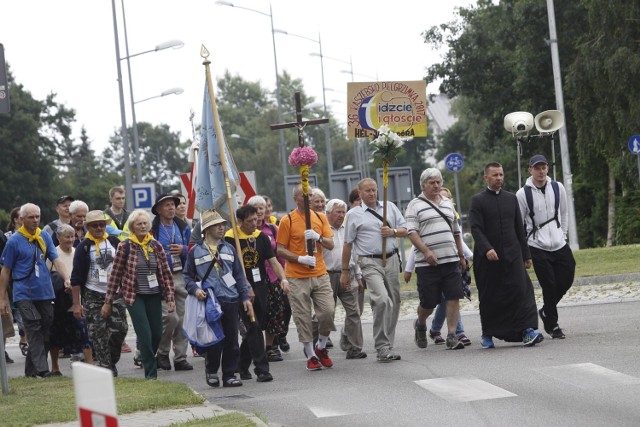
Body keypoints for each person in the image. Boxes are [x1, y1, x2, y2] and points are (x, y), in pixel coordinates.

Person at [469, 162, 544, 348]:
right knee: (490, 296)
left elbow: (519, 228)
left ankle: (527, 330)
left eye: (501, 175)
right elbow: (476, 229)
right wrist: (487, 249)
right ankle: (488, 333)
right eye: (495, 175)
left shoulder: (511, 199)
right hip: (488, 259)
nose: (499, 178)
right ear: (486, 178)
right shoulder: (478, 201)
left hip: (513, 255)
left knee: (522, 291)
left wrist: (526, 255)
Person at [184, 210, 253, 388]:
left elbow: (238, 276)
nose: (222, 227)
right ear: (207, 229)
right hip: (209, 302)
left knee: (231, 340)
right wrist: (195, 290)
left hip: (230, 299)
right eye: (217, 225)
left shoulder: (229, 249)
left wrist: (245, 297)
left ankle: (229, 374)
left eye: (223, 225)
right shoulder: (195, 252)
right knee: (214, 340)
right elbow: (187, 277)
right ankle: (212, 370)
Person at [0, 203, 71, 378]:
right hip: (24, 293)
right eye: (31, 217)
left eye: (37, 216)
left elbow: (57, 260)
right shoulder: (14, 241)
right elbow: (6, 270)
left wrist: (67, 278)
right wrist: (2, 298)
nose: (35, 220)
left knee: (46, 327)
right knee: (33, 325)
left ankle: (30, 369)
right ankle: (42, 369)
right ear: (22, 219)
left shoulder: (44, 236)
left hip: (45, 292)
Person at [341, 178, 407, 362]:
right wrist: (345, 271)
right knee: (382, 300)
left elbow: (406, 229)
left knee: (394, 301)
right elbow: (347, 245)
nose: (371, 193)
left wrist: (392, 232)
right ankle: (382, 346)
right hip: (369, 262)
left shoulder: (390, 207)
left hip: (391, 258)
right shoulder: (354, 214)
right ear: (360, 193)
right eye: (367, 191)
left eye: (374, 190)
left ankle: (388, 344)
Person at [104, 209, 176, 379]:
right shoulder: (125, 246)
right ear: (132, 227)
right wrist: (108, 300)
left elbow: (165, 273)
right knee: (144, 333)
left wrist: (170, 297)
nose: (143, 226)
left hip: (154, 294)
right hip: (133, 296)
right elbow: (115, 274)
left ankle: (144, 355)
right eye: (139, 224)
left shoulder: (155, 245)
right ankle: (151, 374)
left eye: (145, 223)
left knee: (157, 333)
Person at [405, 169, 468, 351]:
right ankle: (421, 323)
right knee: (429, 302)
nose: (436, 185)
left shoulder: (448, 203)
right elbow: (411, 232)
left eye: (438, 182)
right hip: (427, 263)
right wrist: (426, 251)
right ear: (423, 184)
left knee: (454, 296)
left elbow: (456, 231)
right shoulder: (414, 205)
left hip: (451, 260)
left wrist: (461, 255)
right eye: (432, 182)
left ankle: (451, 335)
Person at [225, 204, 288, 382]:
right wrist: (245, 287)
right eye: (250, 220)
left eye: (256, 219)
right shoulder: (231, 239)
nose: (255, 223)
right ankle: (262, 369)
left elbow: (273, 261)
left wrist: (282, 278)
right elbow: (233, 267)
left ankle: (242, 364)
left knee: (257, 326)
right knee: (252, 326)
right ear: (240, 221)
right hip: (241, 289)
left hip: (260, 286)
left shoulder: (261, 237)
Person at [276, 184, 336, 371]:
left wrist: (318, 237)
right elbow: (280, 249)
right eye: (305, 196)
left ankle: (321, 347)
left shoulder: (320, 217)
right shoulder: (288, 220)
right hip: (297, 276)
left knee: (328, 312)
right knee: (302, 317)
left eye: (311, 195)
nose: (309, 198)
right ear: (296, 199)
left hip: (319, 272)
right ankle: (310, 354)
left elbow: (331, 244)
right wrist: (299, 258)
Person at [516, 154, 575, 339]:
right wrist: (525, 250)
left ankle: (546, 310)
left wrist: (563, 234)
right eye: (537, 168)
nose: (541, 171)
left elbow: (564, 213)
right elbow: (519, 223)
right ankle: (553, 325)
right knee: (549, 285)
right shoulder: (522, 194)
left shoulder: (558, 188)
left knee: (566, 278)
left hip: (559, 242)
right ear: (530, 170)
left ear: (547, 169)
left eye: (543, 167)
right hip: (537, 245)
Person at [70, 211, 128, 376]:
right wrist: (76, 304)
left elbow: (125, 267)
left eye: (101, 224)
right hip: (93, 294)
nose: (99, 228)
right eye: (94, 225)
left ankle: (110, 360)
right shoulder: (83, 247)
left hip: (115, 293)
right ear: (88, 227)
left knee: (120, 330)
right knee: (99, 334)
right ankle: (106, 367)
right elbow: (76, 278)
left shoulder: (114, 242)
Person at [151, 193, 193, 371]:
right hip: (161, 277)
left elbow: (193, 249)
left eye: (173, 205)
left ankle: (181, 357)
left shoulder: (183, 226)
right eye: (167, 205)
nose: (171, 208)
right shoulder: (153, 229)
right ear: (158, 209)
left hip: (181, 274)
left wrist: (183, 249)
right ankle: (162, 352)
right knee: (170, 317)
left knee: (183, 318)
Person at [248, 195, 291, 358]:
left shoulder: (272, 229)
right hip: (254, 278)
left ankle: (271, 346)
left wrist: (283, 276)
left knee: (278, 311)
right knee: (259, 313)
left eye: (262, 208)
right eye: (256, 208)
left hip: (272, 276)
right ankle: (255, 346)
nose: (259, 212)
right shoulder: (244, 231)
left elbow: (279, 255)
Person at [47, 224, 93, 375]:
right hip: (58, 300)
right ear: (58, 238)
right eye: (66, 236)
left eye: (72, 236)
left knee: (83, 331)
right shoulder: (53, 254)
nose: (70, 239)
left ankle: (90, 366)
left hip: (77, 300)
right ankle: (55, 367)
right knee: (55, 334)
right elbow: (47, 277)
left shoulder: (78, 252)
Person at [324, 199, 366, 359]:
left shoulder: (348, 229)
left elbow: (355, 253)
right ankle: (317, 344)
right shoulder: (322, 230)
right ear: (328, 213)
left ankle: (354, 347)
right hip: (327, 275)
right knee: (326, 313)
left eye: (343, 212)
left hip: (347, 273)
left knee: (354, 311)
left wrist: (359, 275)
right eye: (338, 212)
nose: (341, 215)